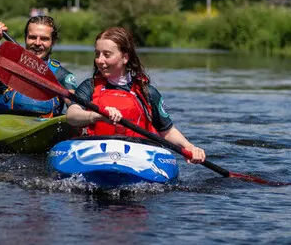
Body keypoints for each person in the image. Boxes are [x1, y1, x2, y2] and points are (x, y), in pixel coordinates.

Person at [65, 26, 206, 163]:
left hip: (137, 156)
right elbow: (72, 116)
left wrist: (190, 147)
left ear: (125, 57)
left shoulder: (147, 92)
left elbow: (167, 132)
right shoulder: (89, 86)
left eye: (106, 55)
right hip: (95, 152)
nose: (100, 60)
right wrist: (97, 116)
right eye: (97, 54)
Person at [0, 15, 78, 121]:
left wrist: (77, 110)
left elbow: (74, 104)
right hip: (3, 126)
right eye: (32, 37)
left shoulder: (61, 75)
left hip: (43, 127)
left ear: (52, 43)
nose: (37, 43)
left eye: (44, 39)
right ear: (25, 38)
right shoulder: (5, 64)